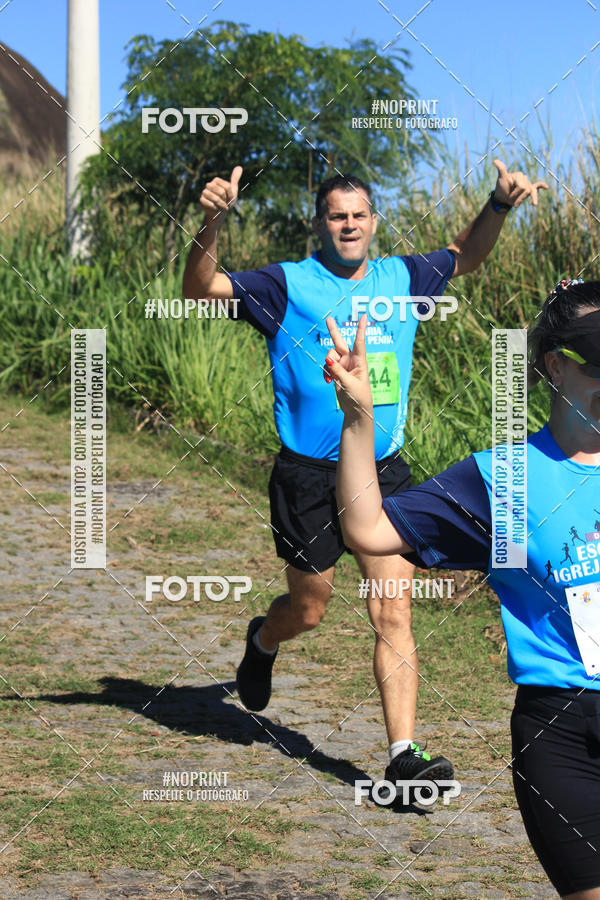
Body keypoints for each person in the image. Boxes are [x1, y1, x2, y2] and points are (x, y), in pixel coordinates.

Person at [182, 160, 547, 792]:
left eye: (358, 215)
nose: (348, 225)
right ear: (320, 224)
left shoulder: (402, 278)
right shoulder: (286, 284)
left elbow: (466, 255)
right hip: (306, 475)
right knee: (309, 608)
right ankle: (264, 640)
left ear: (374, 222)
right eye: (337, 216)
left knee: (393, 608)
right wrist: (211, 221)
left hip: (382, 473)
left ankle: (403, 755)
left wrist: (498, 204)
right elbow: (200, 288)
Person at [328, 280, 600, 898]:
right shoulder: (504, 478)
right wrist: (359, 418)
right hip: (563, 737)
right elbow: (367, 529)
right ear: (556, 365)